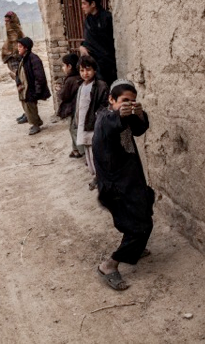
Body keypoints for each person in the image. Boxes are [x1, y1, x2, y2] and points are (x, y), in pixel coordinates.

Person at [92, 79, 154, 291]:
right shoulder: (105, 119)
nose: (128, 104)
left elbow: (138, 130)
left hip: (130, 180)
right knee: (141, 226)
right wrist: (122, 114)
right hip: (116, 186)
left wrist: (138, 114)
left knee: (146, 204)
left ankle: (134, 247)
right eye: (124, 101)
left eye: (133, 101)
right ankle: (109, 265)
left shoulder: (122, 117)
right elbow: (112, 123)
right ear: (111, 100)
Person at [74, 56, 108, 189]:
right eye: (82, 70)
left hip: (94, 124)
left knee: (97, 151)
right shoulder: (81, 86)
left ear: (94, 70)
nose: (85, 73)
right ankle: (95, 175)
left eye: (88, 70)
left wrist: (97, 117)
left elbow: (104, 104)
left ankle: (101, 177)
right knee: (88, 150)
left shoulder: (100, 85)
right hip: (84, 124)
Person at [79, 0, 118, 87]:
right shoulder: (88, 20)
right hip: (94, 63)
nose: (82, 6)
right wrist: (82, 46)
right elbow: (89, 39)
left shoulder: (107, 18)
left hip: (107, 64)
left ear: (93, 4)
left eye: (84, 3)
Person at [15, 37, 51, 135]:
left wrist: (37, 90)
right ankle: (36, 121)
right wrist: (18, 83)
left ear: (26, 48)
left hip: (31, 88)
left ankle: (36, 125)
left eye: (20, 47)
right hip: (24, 88)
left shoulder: (33, 58)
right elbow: (18, 73)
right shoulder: (23, 58)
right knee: (26, 105)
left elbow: (39, 76)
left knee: (31, 106)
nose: (18, 48)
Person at [55, 53, 84, 158]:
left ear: (69, 66)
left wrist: (59, 91)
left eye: (63, 65)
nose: (63, 68)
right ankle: (75, 150)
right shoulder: (78, 77)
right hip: (78, 108)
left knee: (74, 129)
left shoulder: (71, 80)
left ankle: (82, 151)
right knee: (73, 128)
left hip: (74, 108)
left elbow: (65, 96)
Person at [1, 11, 28, 124]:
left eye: (8, 20)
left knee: (22, 86)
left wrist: (13, 54)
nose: (6, 23)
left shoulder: (14, 29)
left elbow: (18, 45)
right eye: (5, 20)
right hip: (14, 60)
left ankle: (28, 113)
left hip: (17, 60)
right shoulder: (12, 29)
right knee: (21, 86)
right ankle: (26, 112)